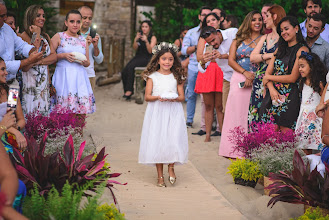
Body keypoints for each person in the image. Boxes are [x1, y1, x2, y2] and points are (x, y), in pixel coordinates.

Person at [138, 42, 188, 187]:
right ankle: (160, 176)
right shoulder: (152, 76)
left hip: (173, 111)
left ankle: (171, 167)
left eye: (170, 59)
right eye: (164, 59)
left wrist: (172, 97)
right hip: (157, 111)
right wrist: (159, 97)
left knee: (172, 139)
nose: (167, 62)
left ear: (174, 61)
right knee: (158, 141)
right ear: (158, 60)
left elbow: (181, 97)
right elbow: (147, 96)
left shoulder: (177, 76)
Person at [219, 11, 262, 158]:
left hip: (257, 80)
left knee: (251, 114)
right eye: (254, 20)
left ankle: (249, 150)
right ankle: (231, 149)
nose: (258, 22)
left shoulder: (265, 39)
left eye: (260, 20)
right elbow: (231, 60)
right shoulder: (238, 39)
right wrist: (245, 73)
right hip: (239, 78)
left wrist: (253, 76)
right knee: (235, 113)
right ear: (248, 22)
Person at [260, 16, 309, 132]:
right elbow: (267, 72)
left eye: (286, 29)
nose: (283, 33)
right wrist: (271, 89)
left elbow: (293, 78)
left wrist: (268, 78)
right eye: (281, 30)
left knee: (286, 133)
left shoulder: (302, 50)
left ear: (296, 28)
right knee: (270, 132)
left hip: (291, 95)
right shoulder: (279, 49)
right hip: (273, 95)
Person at [196, 26, 238, 142]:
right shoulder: (209, 46)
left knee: (237, 108)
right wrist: (204, 61)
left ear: (218, 33)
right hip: (227, 78)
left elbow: (242, 51)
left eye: (213, 40)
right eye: (209, 42)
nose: (213, 44)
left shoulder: (232, 33)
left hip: (240, 74)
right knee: (226, 109)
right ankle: (227, 139)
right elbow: (202, 67)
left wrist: (222, 56)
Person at [51, 9, 96, 115]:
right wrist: (63, 55)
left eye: (78, 22)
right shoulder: (59, 36)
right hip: (63, 76)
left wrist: (84, 63)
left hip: (79, 76)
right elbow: (48, 57)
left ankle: (78, 131)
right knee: (62, 110)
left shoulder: (83, 40)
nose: (75, 24)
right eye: (72, 21)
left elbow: (88, 62)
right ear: (66, 22)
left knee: (80, 110)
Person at [249, 5, 286, 125]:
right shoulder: (264, 37)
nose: (264, 19)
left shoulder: (284, 38)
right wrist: (269, 56)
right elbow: (252, 57)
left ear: (275, 17)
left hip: (275, 81)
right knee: (255, 113)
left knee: (270, 115)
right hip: (259, 81)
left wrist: (262, 57)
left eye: (267, 16)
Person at [20, 5, 57, 116]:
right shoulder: (23, 36)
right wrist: (36, 34)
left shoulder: (45, 36)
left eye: (43, 15)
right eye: (38, 15)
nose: (42, 18)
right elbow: (27, 64)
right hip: (31, 85)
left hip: (43, 85)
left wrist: (38, 62)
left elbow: (54, 56)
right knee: (32, 116)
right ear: (30, 18)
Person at [193, 12, 223, 138]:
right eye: (208, 21)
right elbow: (199, 57)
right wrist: (207, 57)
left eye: (213, 20)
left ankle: (222, 133)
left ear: (219, 21)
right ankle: (208, 134)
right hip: (208, 70)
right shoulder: (202, 38)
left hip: (221, 70)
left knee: (220, 106)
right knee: (208, 105)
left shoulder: (224, 35)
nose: (211, 22)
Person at [182, 6, 211, 128]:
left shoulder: (215, 32)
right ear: (199, 16)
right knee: (191, 93)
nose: (205, 17)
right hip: (194, 66)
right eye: (203, 15)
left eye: (208, 15)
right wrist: (198, 46)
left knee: (208, 97)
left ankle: (208, 124)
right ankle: (189, 120)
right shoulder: (191, 32)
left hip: (209, 67)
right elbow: (184, 50)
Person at [0, 0, 43, 82]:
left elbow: (21, 45)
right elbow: (4, 65)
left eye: (5, 14)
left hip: (12, 82)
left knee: (14, 94)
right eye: (2, 16)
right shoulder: (24, 34)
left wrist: (33, 52)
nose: (5, 18)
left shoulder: (6, 28)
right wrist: (29, 61)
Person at [295, 52, 327, 154]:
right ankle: (306, 167)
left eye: (302, 66)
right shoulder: (302, 82)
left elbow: (324, 99)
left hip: (315, 118)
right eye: (299, 66)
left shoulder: (319, 83)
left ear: (312, 67)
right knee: (304, 146)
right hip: (304, 118)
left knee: (317, 144)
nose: (300, 69)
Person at [121, 20, 157, 100]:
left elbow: (150, 51)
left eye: (146, 27)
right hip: (138, 56)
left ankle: (129, 91)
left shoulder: (152, 37)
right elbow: (135, 48)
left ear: (149, 28)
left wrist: (146, 41)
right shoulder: (139, 36)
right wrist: (135, 40)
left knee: (131, 68)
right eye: (143, 27)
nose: (144, 28)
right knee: (124, 70)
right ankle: (127, 89)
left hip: (147, 58)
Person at [0, 58, 26, 153]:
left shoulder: (11, 92)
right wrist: (15, 132)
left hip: (10, 137)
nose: (6, 73)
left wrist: (17, 128)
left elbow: (21, 120)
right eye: (2, 69)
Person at [79, 6, 104, 91]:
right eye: (84, 18)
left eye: (90, 18)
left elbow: (99, 60)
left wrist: (95, 46)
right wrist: (84, 44)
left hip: (89, 75)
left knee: (88, 104)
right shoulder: (72, 34)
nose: (87, 21)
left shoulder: (95, 36)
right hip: (73, 75)